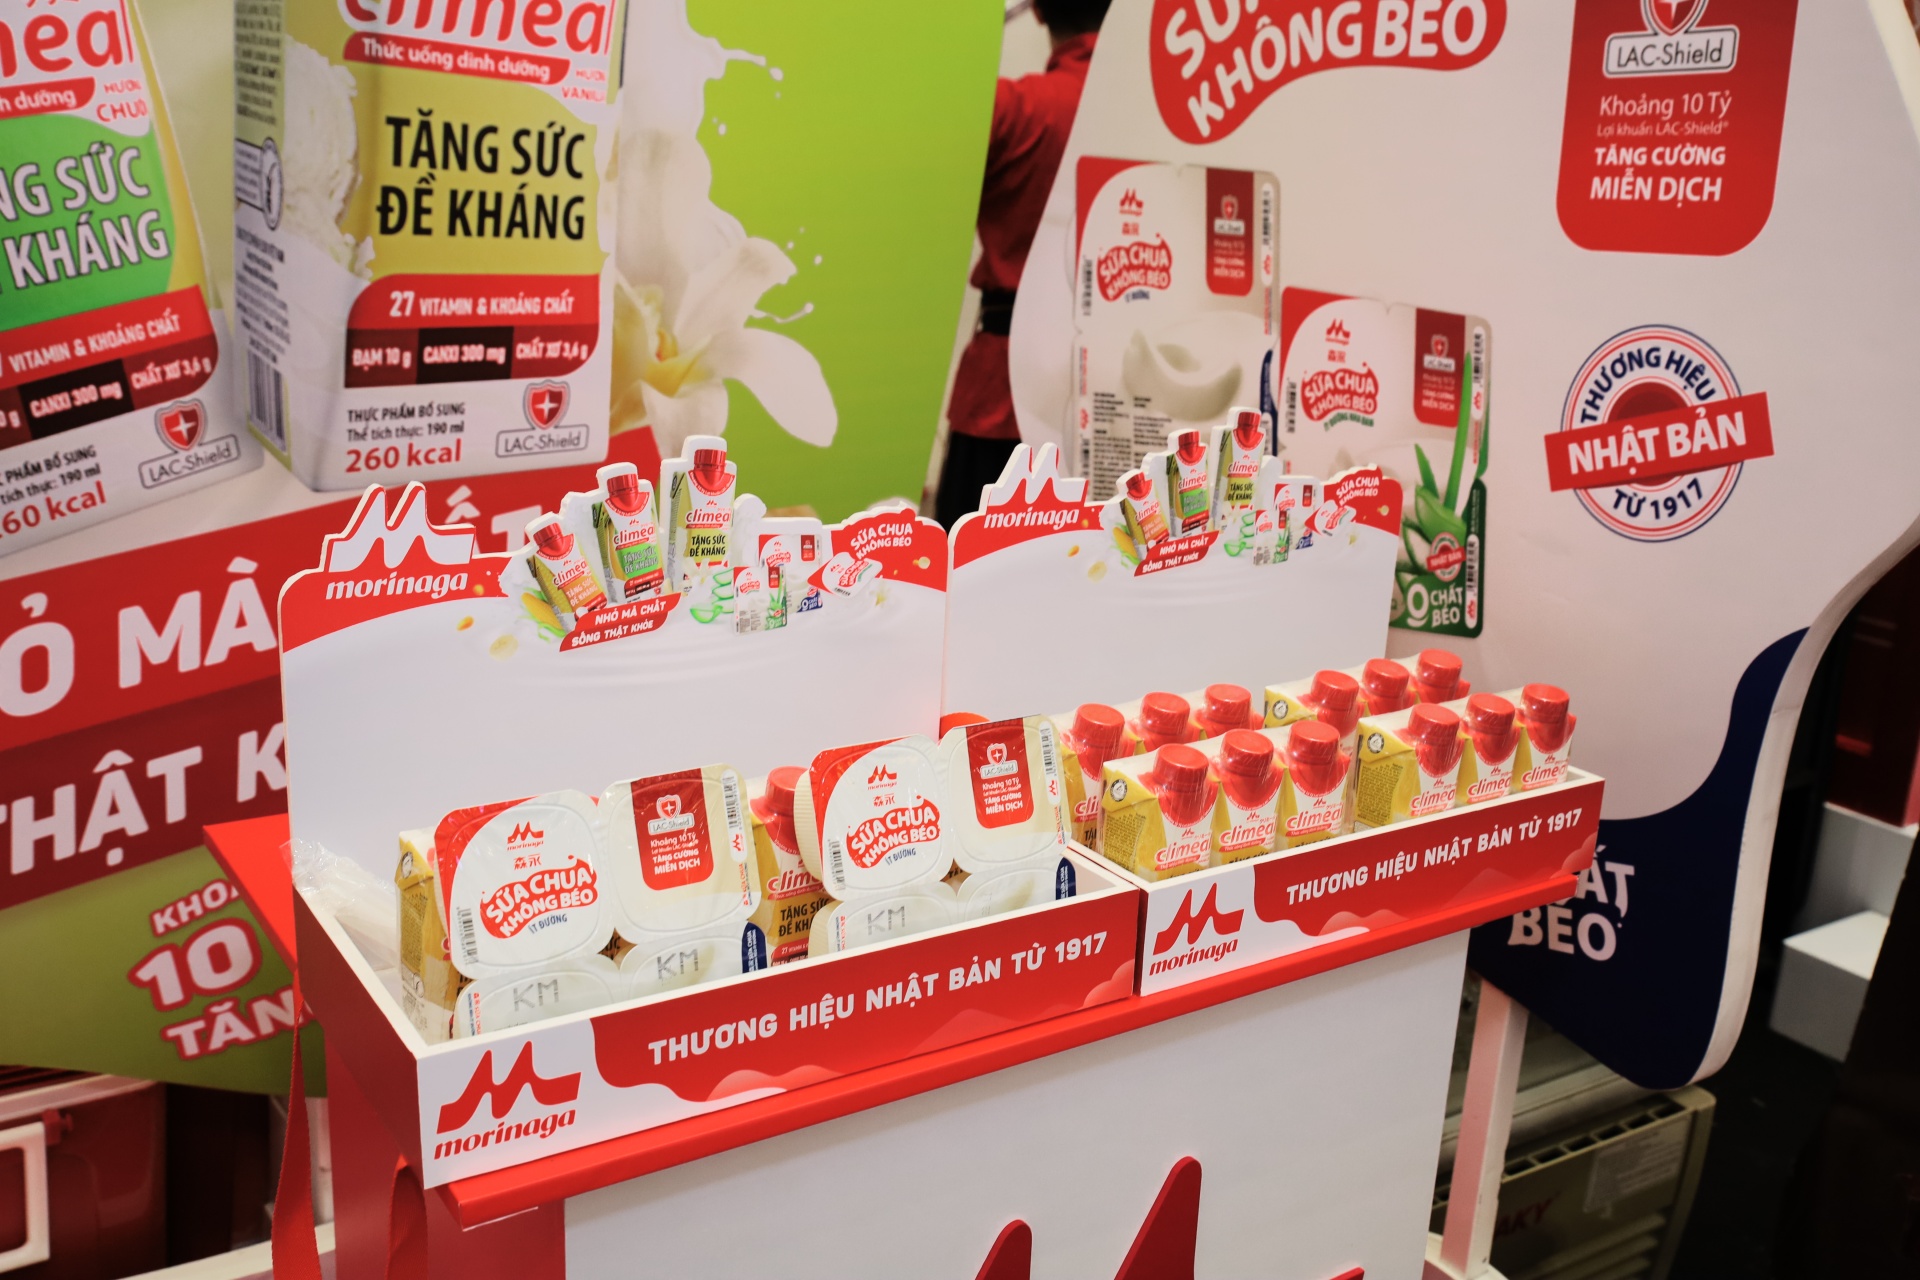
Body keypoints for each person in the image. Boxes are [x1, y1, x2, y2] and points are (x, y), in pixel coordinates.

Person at [934, 0, 1109, 529]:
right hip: (1116, 396)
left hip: (1001, 396)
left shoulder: (1014, 109)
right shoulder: (1154, 121)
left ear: (1037, 11)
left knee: (970, 568)